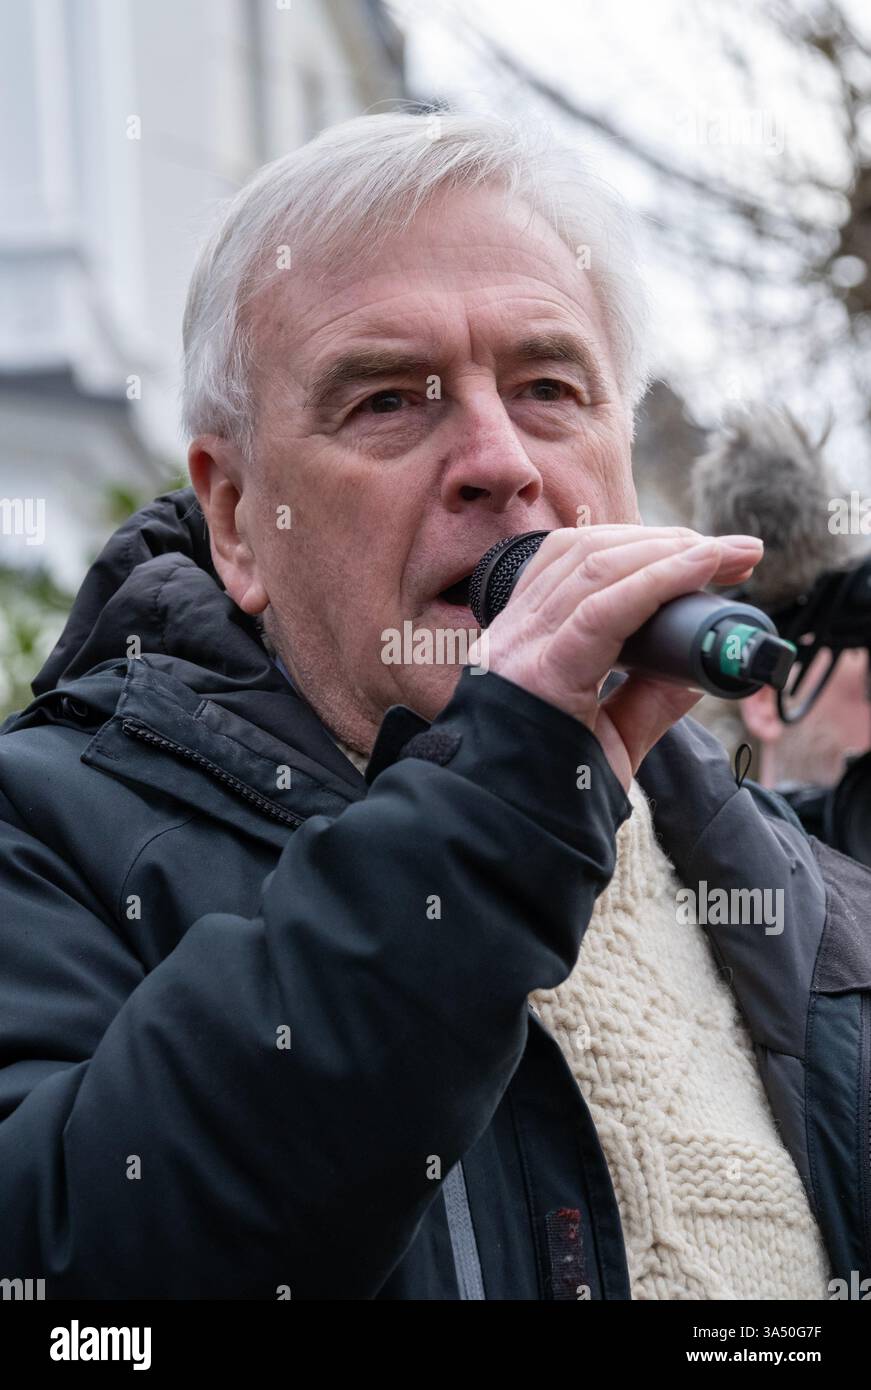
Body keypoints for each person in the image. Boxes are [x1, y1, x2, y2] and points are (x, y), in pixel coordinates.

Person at [1, 112, 869, 1301]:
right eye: (387, 403)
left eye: (549, 386)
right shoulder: (44, 844)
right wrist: (498, 798)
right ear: (239, 518)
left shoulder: (802, 901)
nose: (497, 458)